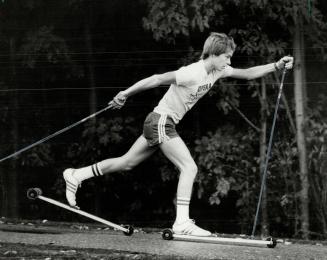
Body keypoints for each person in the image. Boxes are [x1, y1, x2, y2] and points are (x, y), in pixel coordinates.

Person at [63, 32, 293, 237]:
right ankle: (182, 222)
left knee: (126, 163)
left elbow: (248, 73)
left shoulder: (218, 71)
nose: (229, 62)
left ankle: (76, 175)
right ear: (213, 54)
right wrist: (126, 93)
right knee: (189, 167)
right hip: (161, 121)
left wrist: (276, 65)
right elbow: (156, 78)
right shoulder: (192, 72)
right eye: (226, 57)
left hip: (158, 122)